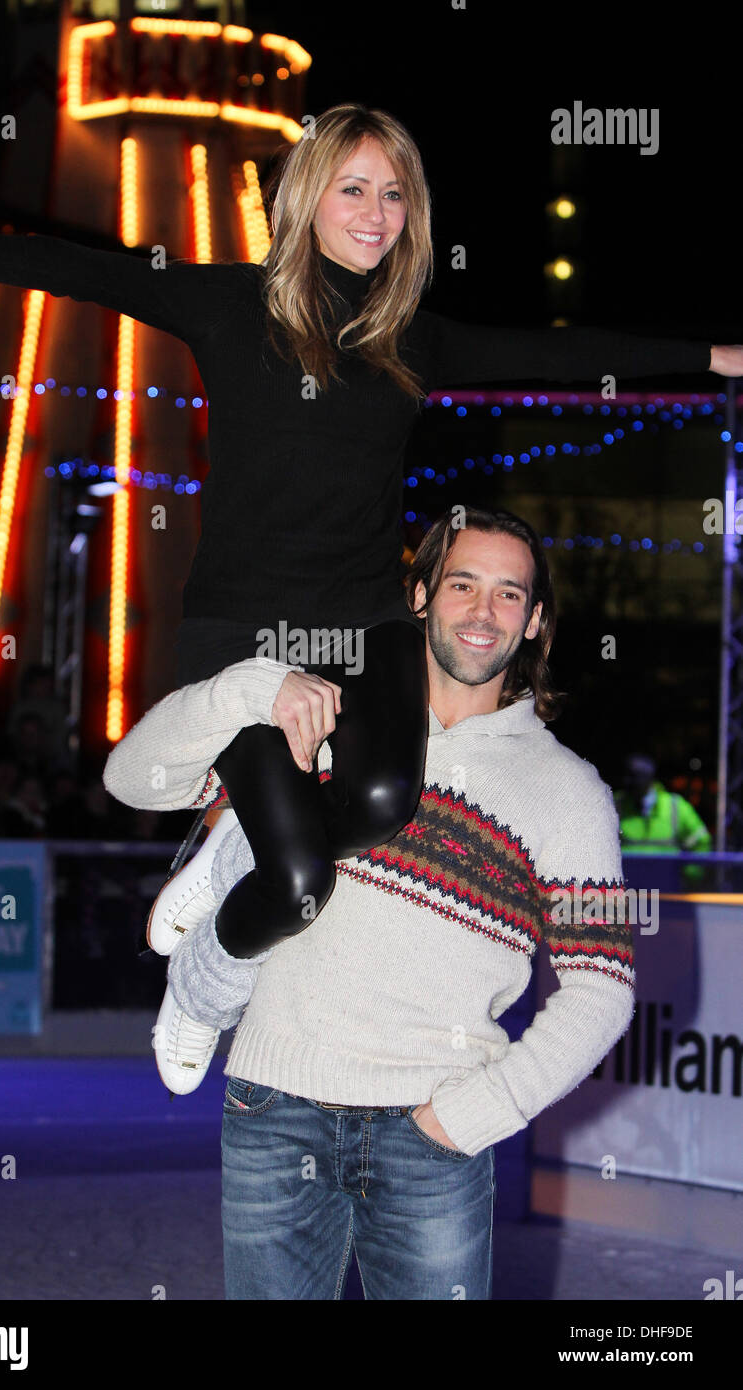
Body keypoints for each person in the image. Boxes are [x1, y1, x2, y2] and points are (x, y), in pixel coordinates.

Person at [0, 102, 739, 965]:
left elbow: (556, 351)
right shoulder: (229, 304)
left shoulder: (410, 338)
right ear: (307, 197)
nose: (376, 214)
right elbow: (76, 268)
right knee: (297, 886)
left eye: (394, 195)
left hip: (366, 624)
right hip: (242, 631)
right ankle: (209, 967)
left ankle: (231, 856)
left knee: (376, 806)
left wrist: (712, 358)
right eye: (354, 189)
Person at [103, 504, 637, 1300]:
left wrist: (471, 1117)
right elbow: (131, 779)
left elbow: (605, 989)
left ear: (535, 622)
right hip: (276, 1109)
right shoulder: (321, 715)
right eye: (462, 584)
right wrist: (250, 688)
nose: (482, 612)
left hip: (434, 1135)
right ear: (419, 597)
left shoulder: (575, 795)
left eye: (508, 594)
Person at [615, 752, 712, 885]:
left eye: (634, 776)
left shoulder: (675, 806)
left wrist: (690, 876)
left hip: (667, 890)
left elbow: (701, 841)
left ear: (649, 778)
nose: (627, 781)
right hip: (626, 890)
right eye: (625, 775)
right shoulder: (614, 805)